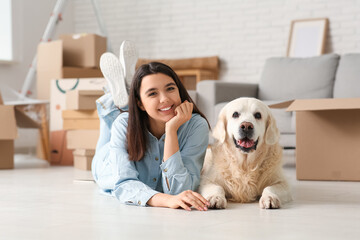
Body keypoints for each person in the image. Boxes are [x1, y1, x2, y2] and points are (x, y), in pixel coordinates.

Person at [92, 61, 211, 211]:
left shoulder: (196, 125)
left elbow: (179, 190)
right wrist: (167, 200)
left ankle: (126, 96)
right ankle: (112, 101)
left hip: (135, 119)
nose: (165, 99)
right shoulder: (124, 124)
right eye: (153, 93)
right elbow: (124, 184)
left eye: (170, 89)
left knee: (122, 121)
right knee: (115, 124)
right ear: (140, 104)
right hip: (106, 165)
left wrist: (171, 130)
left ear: (179, 91)